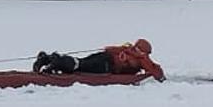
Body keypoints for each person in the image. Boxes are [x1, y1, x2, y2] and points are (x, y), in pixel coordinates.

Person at [32, 39, 166, 81]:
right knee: (80, 66)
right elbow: (156, 73)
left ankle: (49, 58)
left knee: (80, 62)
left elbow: (108, 49)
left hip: (103, 57)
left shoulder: (127, 48)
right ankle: (56, 63)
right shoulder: (142, 58)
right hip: (106, 66)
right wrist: (160, 76)